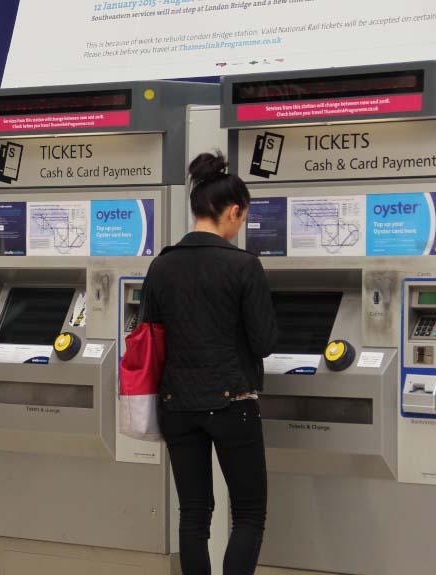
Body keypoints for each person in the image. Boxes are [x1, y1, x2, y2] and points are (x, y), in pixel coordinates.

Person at [142, 151, 279, 575]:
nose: (241, 226)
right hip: (231, 403)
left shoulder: (161, 265)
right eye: (243, 217)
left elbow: (151, 334)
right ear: (233, 211)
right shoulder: (243, 266)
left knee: (194, 514)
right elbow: (265, 341)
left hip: (176, 406)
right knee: (249, 513)